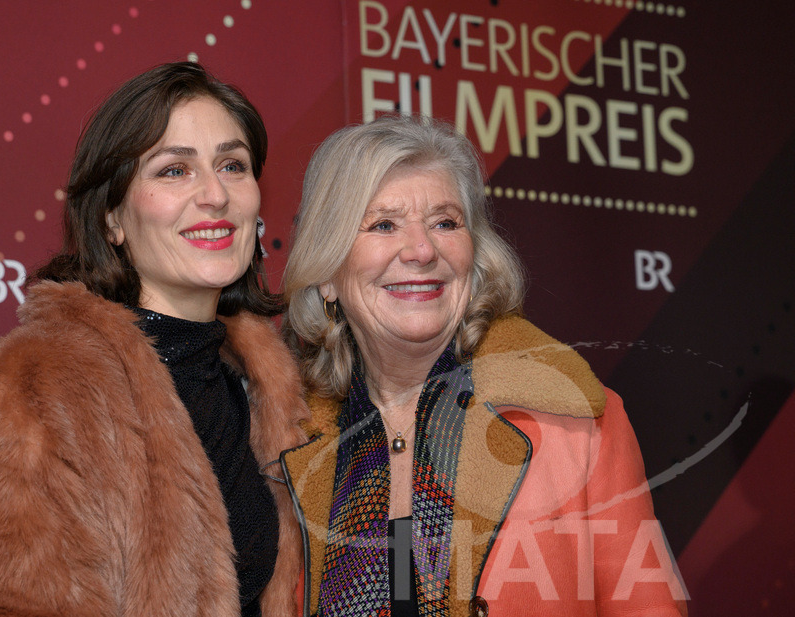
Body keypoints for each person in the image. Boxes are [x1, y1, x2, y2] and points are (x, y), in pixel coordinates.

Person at [0, 62, 309, 617]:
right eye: (174, 171)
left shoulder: (264, 391)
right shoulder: (37, 386)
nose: (215, 194)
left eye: (232, 165)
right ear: (112, 218)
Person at [280, 117, 687, 617]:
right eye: (384, 224)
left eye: (445, 223)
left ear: (474, 260)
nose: (422, 250)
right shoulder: (283, 442)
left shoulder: (580, 425)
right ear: (327, 275)